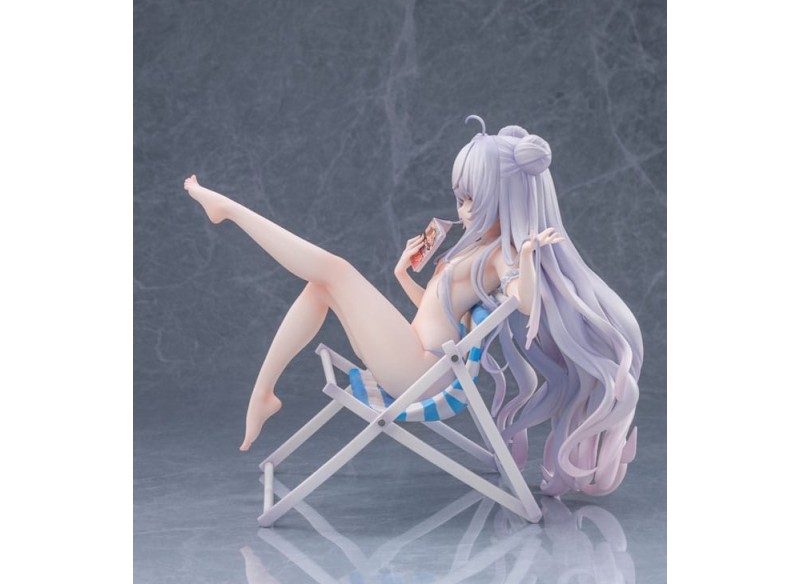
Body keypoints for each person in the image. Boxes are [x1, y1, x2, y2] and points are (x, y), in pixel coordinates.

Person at [184, 116, 642, 497]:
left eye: (473, 199)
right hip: (412, 355)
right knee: (320, 288)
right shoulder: (474, 247)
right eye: (460, 198)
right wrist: (403, 274)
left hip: (420, 374)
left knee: (336, 270)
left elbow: (524, 302)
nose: (463, 210)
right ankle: (264, 395)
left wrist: (525, 255)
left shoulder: (502, 255)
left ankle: (231, 211)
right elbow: (438, 313)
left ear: (506, 199)